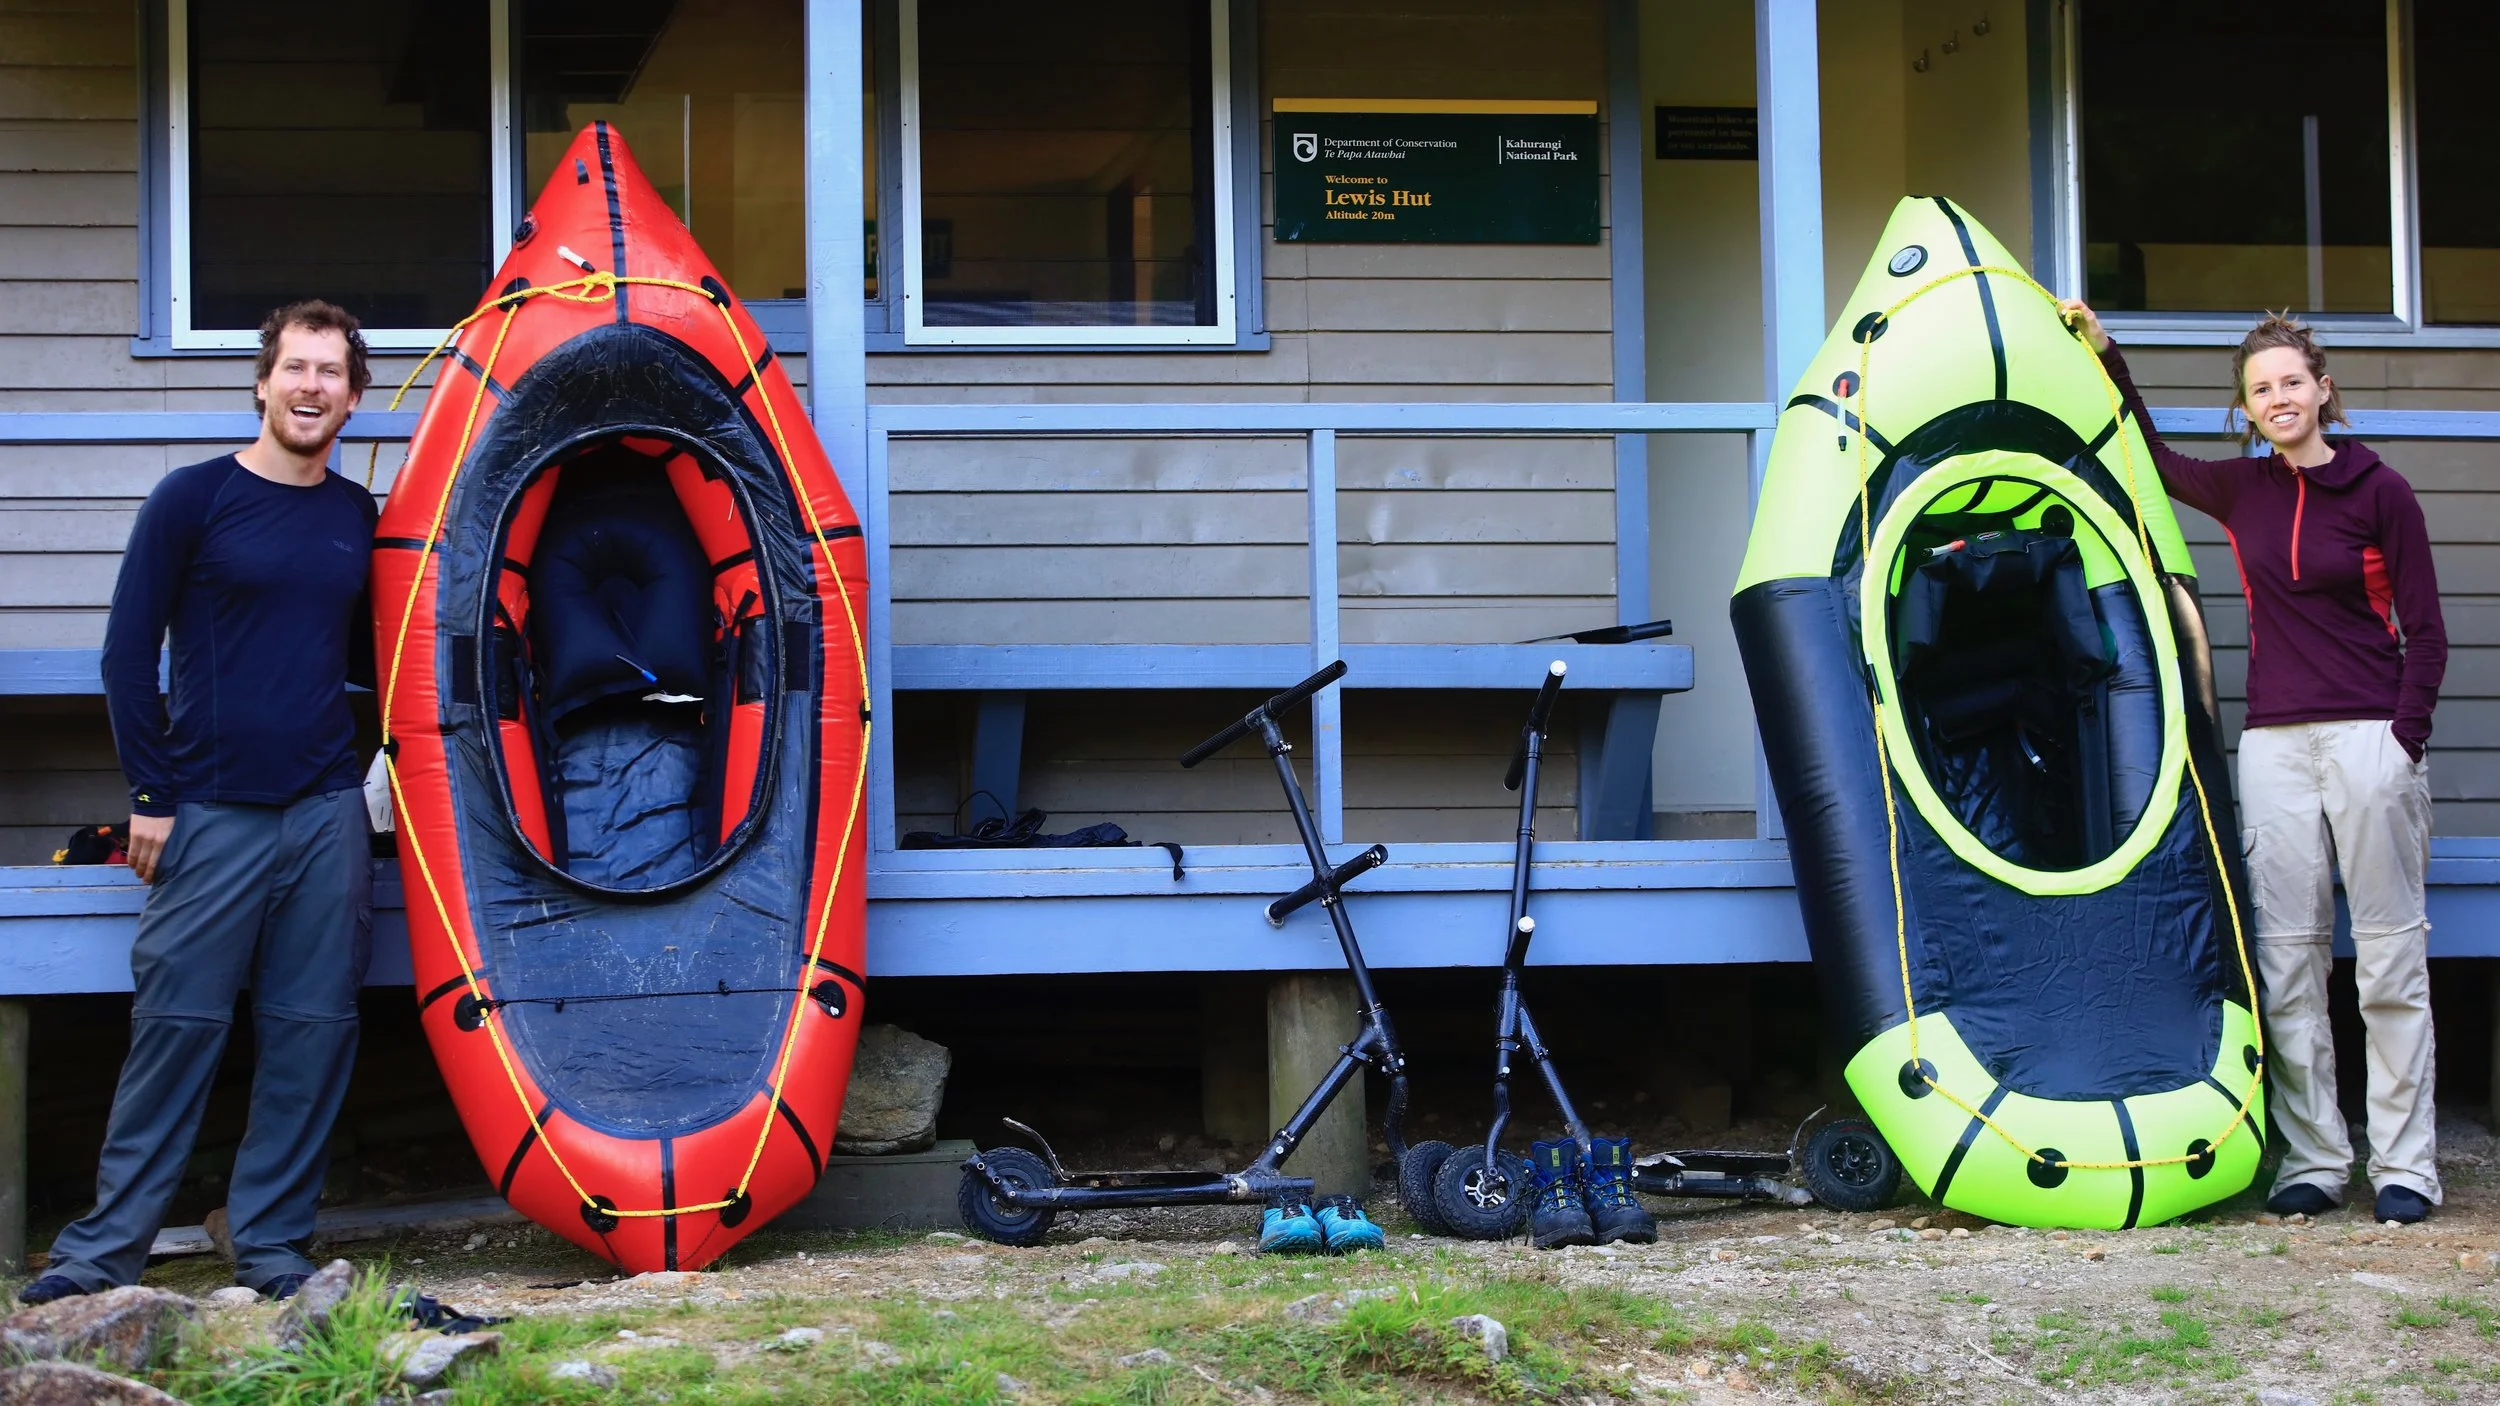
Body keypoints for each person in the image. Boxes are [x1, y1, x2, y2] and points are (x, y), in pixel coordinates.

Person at [20, 302, 378, 1304]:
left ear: (353, 396)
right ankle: (102, 1252)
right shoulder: (193, 498)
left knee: (313, 1026)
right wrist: (150, 791)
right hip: (206, 810)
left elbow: (372, 666)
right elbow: (127, 654)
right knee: (176, 1024)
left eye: (330, 372)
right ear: (262, 383)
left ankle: (270, 1245)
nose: (311, 386)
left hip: (322, 811)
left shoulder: (357, 518)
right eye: (294, 367)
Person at [2061, 301, 2446, 1225]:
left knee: (2390, 964)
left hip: (2368, 742)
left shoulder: (2380, 491)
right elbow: (2148, 456)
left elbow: (2426, 633)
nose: (2280, 398)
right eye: (2261, 388)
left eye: (2292, 383)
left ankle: (2407, 1167)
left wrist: (2404, 741)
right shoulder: (2244, 492)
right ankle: (2315, 1157)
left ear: (2324, 391)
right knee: (2288, 962)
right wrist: (2109, 358)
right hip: (2274, 744)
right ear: (2247, 406)